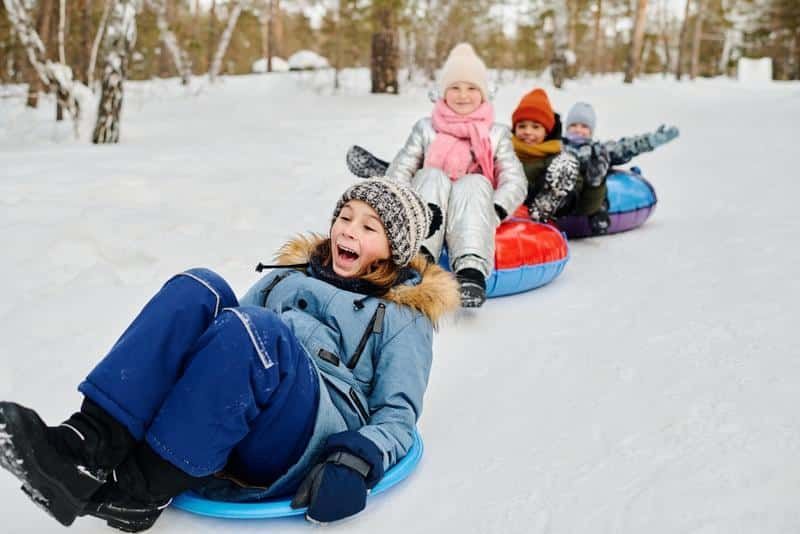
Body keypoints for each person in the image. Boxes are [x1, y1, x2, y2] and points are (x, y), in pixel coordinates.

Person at [0, 179, 460, 532]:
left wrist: (356, 461)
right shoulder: (288, 275)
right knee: (198, 289)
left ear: (395, 249)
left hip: (309, 430)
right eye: (345, 215)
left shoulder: (403, 314)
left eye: (369, 226)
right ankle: (87, 445)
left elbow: (398, 417)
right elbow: (226, 341)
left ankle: (144, 489)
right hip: (249, 403)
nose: (347, 229)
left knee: (259, 330)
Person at [385, 42, 526, 308]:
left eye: (472, 88)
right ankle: (417, 260)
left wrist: (495, 209)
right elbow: (401, 170)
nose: (463, 95)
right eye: (455, 87)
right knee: (431, 175)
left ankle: (470, 270)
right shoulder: (426, 128)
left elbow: (514, 179)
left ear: (484, 94)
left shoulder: (495, 134)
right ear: (442, 93)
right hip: (429, 205)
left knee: (473, 182)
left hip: (473, 208)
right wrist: (400, 205)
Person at [562, 101, 680, 235]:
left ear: (591, 131)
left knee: (598, 172)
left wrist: (651, 140)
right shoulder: (559, 147)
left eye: (584, 126)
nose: (578, 130)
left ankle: (598, 214)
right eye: (573, 125)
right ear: (566, 128)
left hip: (592, 189)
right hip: (566, 192)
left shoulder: (598, 149)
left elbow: (625, 147)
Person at [510, 87, 579, 222]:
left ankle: (546, 203)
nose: (528, 132)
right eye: (522, 126)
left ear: (546, 132)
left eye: (535, 127)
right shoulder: (506, 151)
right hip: (507, 203)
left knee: (560, 176)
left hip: (535, 207)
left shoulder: (553, 157)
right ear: (514, 129)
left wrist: (566, 199)